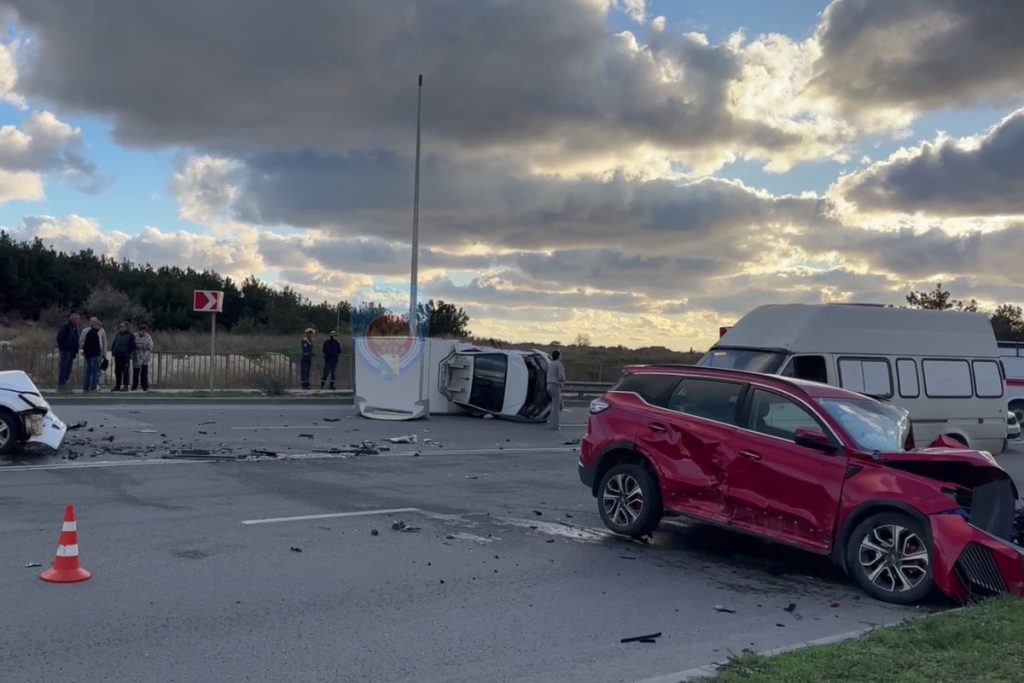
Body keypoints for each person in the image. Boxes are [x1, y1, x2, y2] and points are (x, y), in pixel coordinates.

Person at [79, 317, 107, 392]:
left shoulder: (99, 331)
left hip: (93, 354)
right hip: (93, 354)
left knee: (94, 371)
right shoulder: (90, 332)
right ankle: (93, 386)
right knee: (93, 371)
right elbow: (85, 343)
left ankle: (90, 385)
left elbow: (104, 342)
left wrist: (104, 353)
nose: (99, 327)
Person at [55, 312, 81, 391]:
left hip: (71, 351)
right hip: (65, 350)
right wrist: (63, 347)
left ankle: (65, 382)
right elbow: (59, 338)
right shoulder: (66, 327)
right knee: (64, 367)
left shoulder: (74, 328)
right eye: (77, 319)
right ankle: (61, 384)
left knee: (68, 368)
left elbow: (75, 339)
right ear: (73, 319)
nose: (79, 321)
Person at [110, 321, 136, 391]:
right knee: (117, 371)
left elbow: (133, 346)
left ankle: (125, 386)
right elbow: (114, 343)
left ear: (127, 327)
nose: (121, 327)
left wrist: (129, 354)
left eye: (123, 326)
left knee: (125, 371)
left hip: (125, 356)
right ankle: (117, 386)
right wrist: (113, 351)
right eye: (121, 326)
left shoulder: (130, 335)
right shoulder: (118, 334)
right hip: (117, 355)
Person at [546, 349, 566, 430]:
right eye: (560, 355)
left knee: (557, 404)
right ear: (558, 356)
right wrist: (563, 379)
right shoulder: (559, 364)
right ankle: (554, 425)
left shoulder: (551, 363)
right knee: (556, 407)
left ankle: (550, 420)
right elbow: (560, 376)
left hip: (549, 385)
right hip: (555, 385)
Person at [132, 323, 154, 391]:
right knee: (136, 371)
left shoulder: (148, 337)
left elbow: (150, 346)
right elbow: (132, 344)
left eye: (144, 330)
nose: (142, 332)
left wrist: (141, 346)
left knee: (144, 372)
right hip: (136, 355)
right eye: (141, 330)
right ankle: (134, 386)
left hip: (145, 356)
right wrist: (138, 346)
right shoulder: (134, 336)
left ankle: (145, 386)